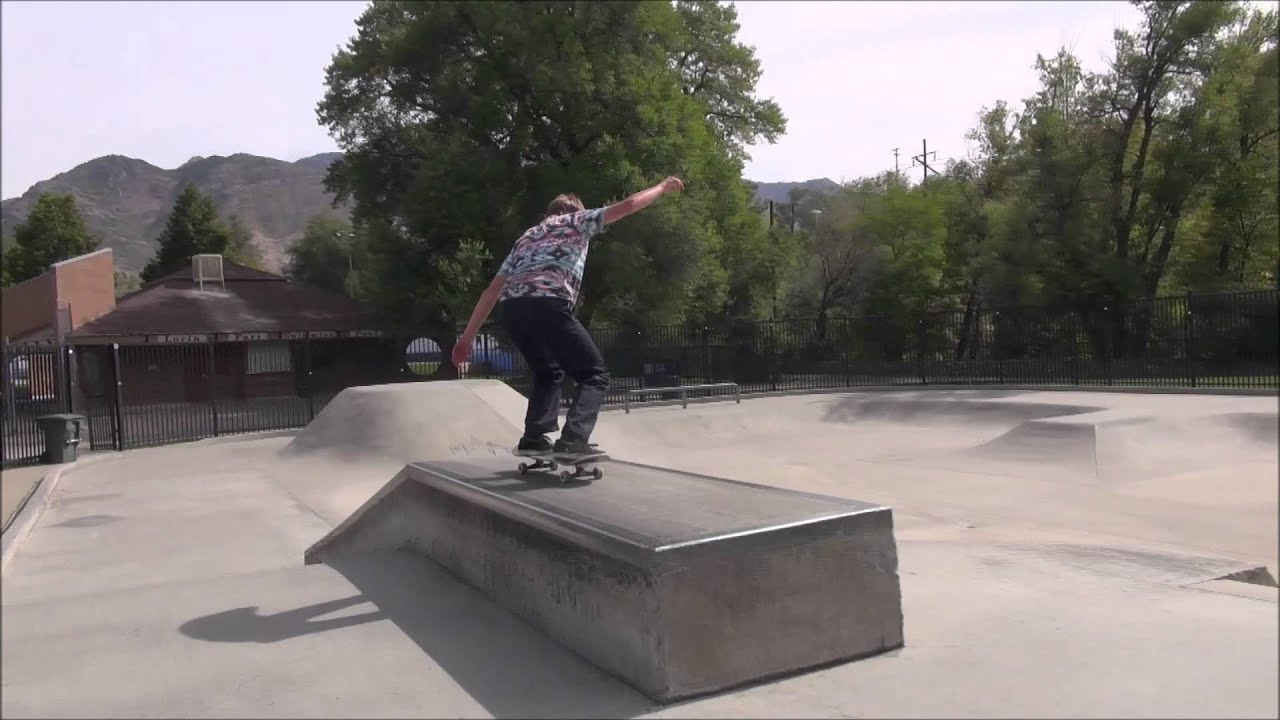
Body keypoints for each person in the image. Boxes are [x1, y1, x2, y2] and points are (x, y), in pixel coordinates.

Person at [451, 176, 685, 460]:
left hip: (512, 310)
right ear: (573, 211)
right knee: (594, 375)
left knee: (547, 372)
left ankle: (534, 438)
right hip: (549, 304)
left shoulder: (526, 237)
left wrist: (467, 338)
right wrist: (661, 188)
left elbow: (492, 290)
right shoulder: (578, 221)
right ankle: (573, 440)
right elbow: (629, 205)